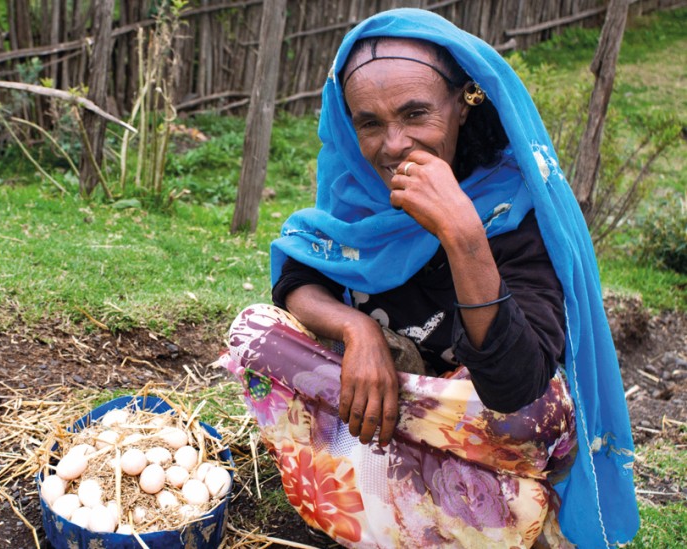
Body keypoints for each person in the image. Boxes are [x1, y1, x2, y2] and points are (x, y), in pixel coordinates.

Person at [223, 8, 637, 548]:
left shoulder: (515, 210)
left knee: (541, 415)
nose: (393, 145)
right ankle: (440, 507)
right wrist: (358, 332)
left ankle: (368, 489)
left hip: (480, 416)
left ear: (464, 105)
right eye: (369, 122)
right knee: (253, 332)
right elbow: (299, 278)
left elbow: (515, 389)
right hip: (386, 410)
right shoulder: (358, 198)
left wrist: (463, 234)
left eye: (415, 114)